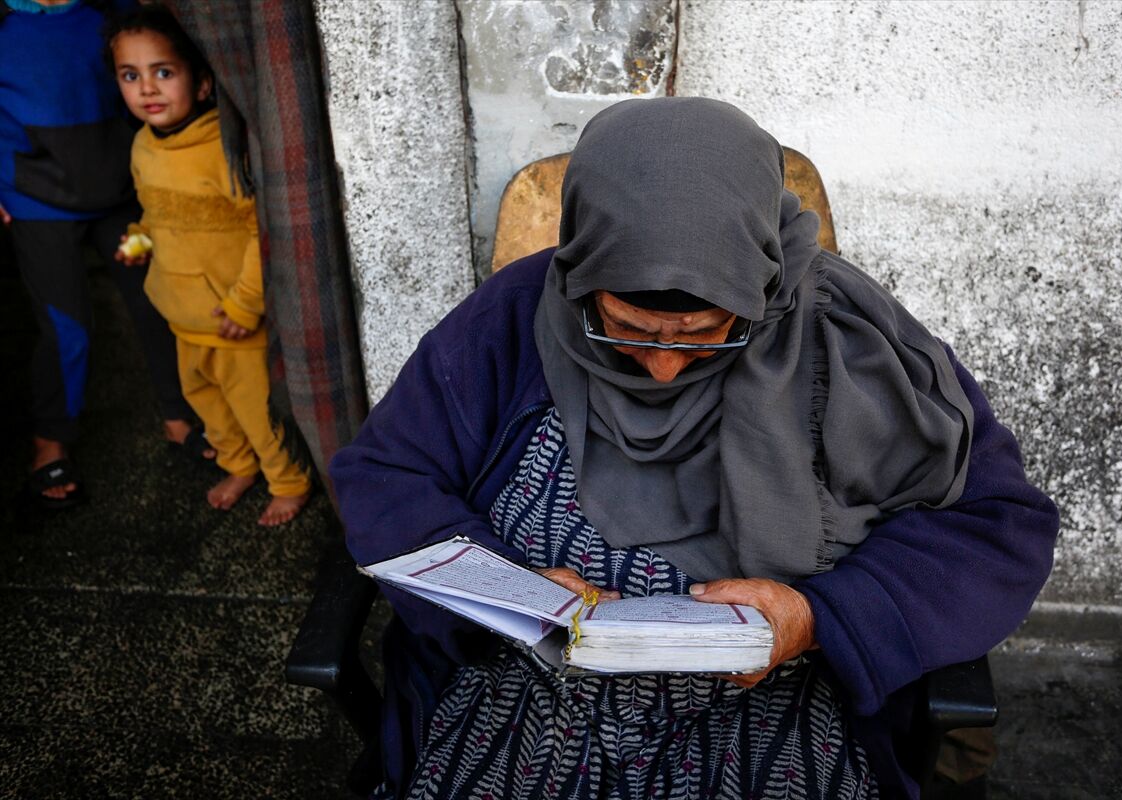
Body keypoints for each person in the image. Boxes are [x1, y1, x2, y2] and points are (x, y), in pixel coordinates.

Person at [330, 98, 1059, 799]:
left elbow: (997, 526)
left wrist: (820, 617)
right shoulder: (511, 320)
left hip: (783, 700)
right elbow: (386, 476)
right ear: (585, 279)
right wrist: (508, 592)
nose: (664, 368)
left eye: (708, 334)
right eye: (629, 330)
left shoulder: (853, 343)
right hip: (526, 694)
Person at [0, 0, 210, 510]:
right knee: (66, 325)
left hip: (121, 188)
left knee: (156, 303)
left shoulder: (109, 10)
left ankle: (179, 416)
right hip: (34, 194)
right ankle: (51, 440)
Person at [105, 5, 310, 526]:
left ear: (201, 84)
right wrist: (139, 240)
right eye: (131, 75)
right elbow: (156, 210)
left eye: (163, 72)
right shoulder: (142, 147)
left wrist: (245, 302)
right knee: (210, 407)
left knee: (255, 411)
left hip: (231, 318)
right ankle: (237, 464)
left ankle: (288, 482)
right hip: (181, 314)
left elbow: (258, 230)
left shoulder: (225, 148)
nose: (146, 88)